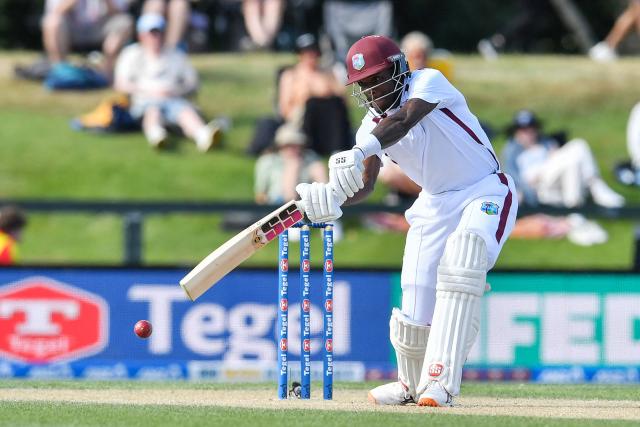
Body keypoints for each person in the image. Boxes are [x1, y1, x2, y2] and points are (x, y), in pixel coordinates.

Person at [295, 35, 518, 407]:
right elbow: (365, 184)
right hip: (432, 203)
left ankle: (441, 383)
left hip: (484, 189)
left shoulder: (428, 83)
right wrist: (333, 197)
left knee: (462, 261)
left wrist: (360, 150)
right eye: (362, 84)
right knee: (415, 288)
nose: (369, 90)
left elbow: (404, 120)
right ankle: (409, 384)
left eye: (375, 79)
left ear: (398, 69)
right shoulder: (367, 130)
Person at [114, 13, 222, 151]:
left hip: (174, 99)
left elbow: (192, 82)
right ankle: (157, 135)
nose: (156, 38)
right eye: (152, 33)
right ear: (141, 35)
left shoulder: (176, 55)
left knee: (185, 112)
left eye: (159, 33)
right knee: (152, 111)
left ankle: (202, 135)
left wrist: (174, 91)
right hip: (143, 101)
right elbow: (121, 84)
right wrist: (148, 91)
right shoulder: (131, 54)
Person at [247, 33, 352, 156]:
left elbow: (344, 101)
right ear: (299, 54)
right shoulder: (291, 75)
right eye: (306, 53)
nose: (310, 56)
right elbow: (284, 109)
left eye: (313, 52)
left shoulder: (328, 74)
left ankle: (337, 147)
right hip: (300, 118)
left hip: (327, 119)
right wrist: (307, 97)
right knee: (312, 103)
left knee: (333, 103)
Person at [501, 110, 625, 208]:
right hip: (537, 184)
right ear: (516, 131)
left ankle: (574, 205)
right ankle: (596, 187)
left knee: (573, 162)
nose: (528, 133)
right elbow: (513, 178)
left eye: (531, 128)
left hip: (555, 177)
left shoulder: (545, 142)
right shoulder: (511, 150)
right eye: (523, 130)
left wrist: (553, 153)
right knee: (578, 145)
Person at [42, 0, 134, 78]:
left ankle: (107, 73)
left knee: (124, 22)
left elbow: (120, 13)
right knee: (52, 21)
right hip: (72, 30)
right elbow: (55, 11)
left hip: (101, 28)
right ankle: (60, 71)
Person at [254, 128, 327, 205]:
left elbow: (322, 183)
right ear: (280, 145)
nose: (293, 148)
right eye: (288, 145)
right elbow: (260, 194)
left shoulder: (310, 159)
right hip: (275, 205)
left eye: (296, 145)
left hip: (306, 204)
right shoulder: (268, 161)